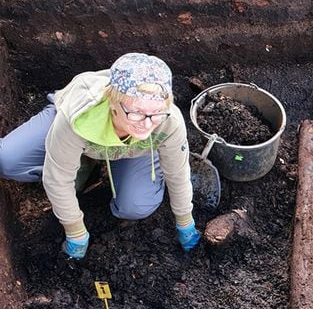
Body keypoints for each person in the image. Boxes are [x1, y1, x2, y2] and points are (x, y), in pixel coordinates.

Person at [0, 53, 201, 260]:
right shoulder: (78, 119)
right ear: (113, 103)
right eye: (137, 112)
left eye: (157, 112)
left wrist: (185, 221)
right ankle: (84, 162)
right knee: (6, 160)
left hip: (132, 149)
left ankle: (91, 161)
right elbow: (57, 179)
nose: (147, 123)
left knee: (135, 206)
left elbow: (177, 173)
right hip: (82, 133)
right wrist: (75, 231)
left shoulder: (168, 122)